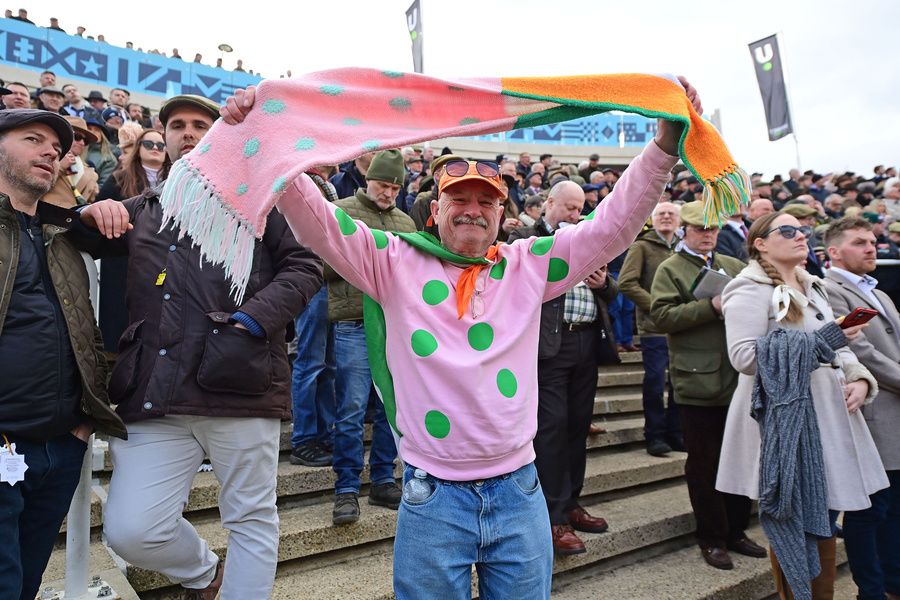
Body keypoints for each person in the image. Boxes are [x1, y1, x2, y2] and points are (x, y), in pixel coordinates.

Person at [221, 77, 700, 599]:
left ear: (501, 216)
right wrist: (267, 137)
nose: (472, 208)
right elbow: (321, 225)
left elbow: (611, 226)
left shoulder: (529, 264)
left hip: (520, 490)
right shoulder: (392, 260)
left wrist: (662, 149)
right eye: (459, 198)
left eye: (486, 201)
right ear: (435, 211)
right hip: (434, 497)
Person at [76, 95, 324, 599]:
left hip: (239, 382)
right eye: (176, 125)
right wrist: (90, 211)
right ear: (163, 137)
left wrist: (250, 322)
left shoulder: (263, 197)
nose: (187, 133)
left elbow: (305, 266)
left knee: (251, 518)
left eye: (199, 124)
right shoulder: (145, 207)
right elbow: (72, 233)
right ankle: (206, 574)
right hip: (154, 393)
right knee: (131, 530)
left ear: (222, 133)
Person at [716, 211, 888, 599]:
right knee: (797, 522)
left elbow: (838, 348)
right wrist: (824, 340)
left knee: (824, 517)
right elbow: (744, 357)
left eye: (803, 230)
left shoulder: (813, 284)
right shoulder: (748, 287)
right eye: (789, 230)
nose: (801, 236)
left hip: (829, 415)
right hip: (787, 422)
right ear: (760, 243)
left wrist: (859, 377)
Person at [0, 109, 126, 600]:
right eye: (33, 139)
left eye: (56, 149)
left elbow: (85, 331)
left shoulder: (61, 233)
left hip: (60, 446)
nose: (50, 152)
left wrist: (83, 423)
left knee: (25, 583)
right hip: (5, 441)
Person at [509, 181, 617, 555]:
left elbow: (612, 292)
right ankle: (552, 515)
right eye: (570, 207)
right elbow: (514, 284)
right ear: (549, 203)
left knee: (577, 425)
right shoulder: (526, 237)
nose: (576, 214)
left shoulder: (588, 238)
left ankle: (571, 503)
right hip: (548, 347)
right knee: (552, 427)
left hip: (586, 341)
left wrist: (603, 284)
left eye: (580, 208)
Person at [649, 201, 759, 570]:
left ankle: (736, 530)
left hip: (738, 376)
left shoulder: (732, 265)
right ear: (686, 230)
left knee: (740, 458)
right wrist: (711, 306)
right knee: (705, 463)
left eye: (712, 229)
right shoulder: (671, 268)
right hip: (697, 379)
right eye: (700, 229)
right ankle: (711, 536)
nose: (708, 235)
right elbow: (661, 316)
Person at [328, 150, 412, 524]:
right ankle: (346, 487)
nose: (388, 192)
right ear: (368, 179)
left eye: (395, 187)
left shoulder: (405, 222)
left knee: (388, 409)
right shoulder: (341, 211)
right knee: (351, 408)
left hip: (394, 326)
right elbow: (321, 264)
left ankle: (382, 479)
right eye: (382, 184)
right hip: (354, 322)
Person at [822, 217, 900, 600]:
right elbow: (858, 350)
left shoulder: (879, 292)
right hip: (871, 412)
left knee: (894, 507)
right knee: (870, 510)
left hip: (894, 411)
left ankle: (893, 583)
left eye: (872, 241)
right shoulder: (829, 289)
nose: (871, 248)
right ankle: (870, 591)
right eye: (859, 242)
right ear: (834, 252)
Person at [618, 201, 683, 457]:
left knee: (679, 383)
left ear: (679, 219)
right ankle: (654, 435)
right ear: (653, 219)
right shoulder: (642, 246)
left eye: (671, 213)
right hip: (653, 326)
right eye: (661, 213)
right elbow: (627, 282)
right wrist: (657, 306)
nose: (666, 217)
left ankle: (676, 433)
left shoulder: (684, 246)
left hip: (682, 326)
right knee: (655, 382)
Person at [96, 128, 170, 352]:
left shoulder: (177, 180)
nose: (155, 148)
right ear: (138, 148)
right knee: (120, 314)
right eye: (149, 144)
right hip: (123, 256)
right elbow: (99, 211)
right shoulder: (119, 178)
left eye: (161, 145)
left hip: (161, 257)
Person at [42, 116, 100, 208]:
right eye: (77, 137)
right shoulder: (44, 157)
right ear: (63, 136)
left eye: (85, 141)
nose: (82, 143)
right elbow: (31, 189)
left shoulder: (90, 171)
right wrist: (60, 167)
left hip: (75, 216)